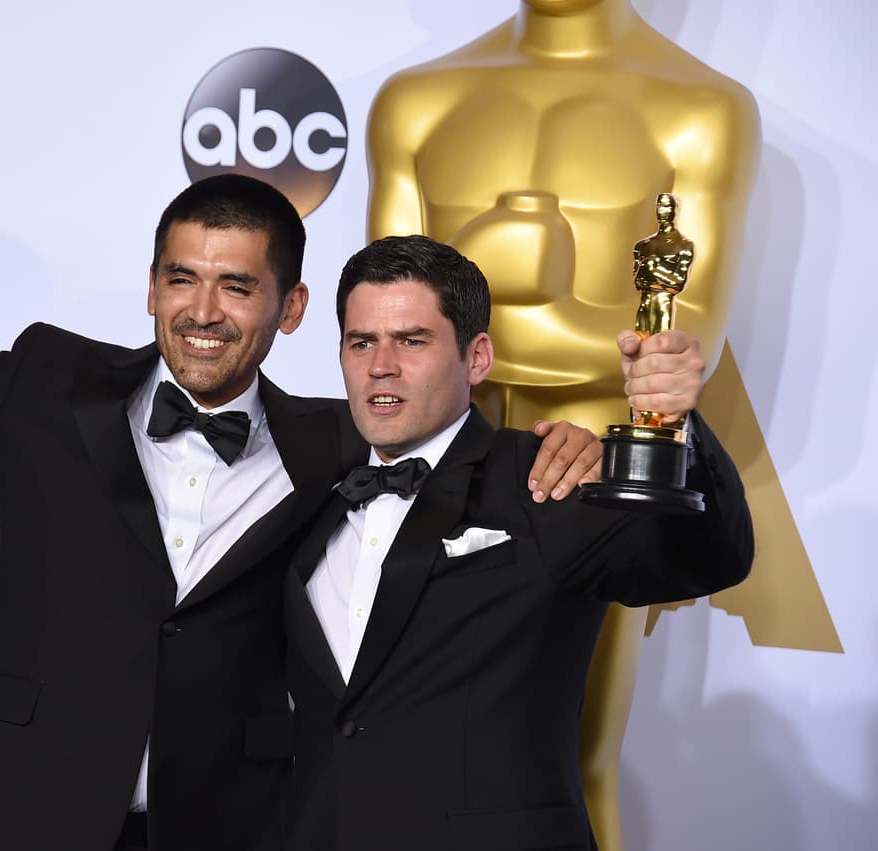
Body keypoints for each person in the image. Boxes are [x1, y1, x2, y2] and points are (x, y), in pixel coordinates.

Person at [0, 150, 601, 851]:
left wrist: (579, 441)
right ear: (151, 288)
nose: (202, 311)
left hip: (221, 825)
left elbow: (455, 447)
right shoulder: (42, 386)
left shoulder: (342, 444)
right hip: (4, 806)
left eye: (238, 286)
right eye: (181, 279)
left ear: (290, 308)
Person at [365, 5, 762, 841]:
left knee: (572, 759)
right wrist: (534, 288)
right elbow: (387, 319)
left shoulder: (701, 108)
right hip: (429, 461)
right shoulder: (416, 100)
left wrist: (484, 281)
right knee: (386, 744)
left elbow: (677, 342)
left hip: (588, 467)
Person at [282, 235, 753, 851]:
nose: (381, 366)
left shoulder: (547, 475)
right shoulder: (309, 486)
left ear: (477, 358)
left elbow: (708, 558)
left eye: (412, 341)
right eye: (361, 341)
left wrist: (674, 425)